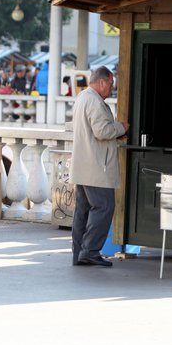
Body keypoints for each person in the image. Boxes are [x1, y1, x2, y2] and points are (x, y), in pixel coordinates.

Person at [70, 66, 129, 266]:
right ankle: (90, 251)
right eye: (111, 83)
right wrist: (121, 127)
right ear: (102, 81)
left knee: (83, 211)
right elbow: (102, 131)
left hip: (83, 165)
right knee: (104, 207)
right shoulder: (95, 101)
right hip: (97, 167)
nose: (112, 88)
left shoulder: (82, 98)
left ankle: (79, 252)